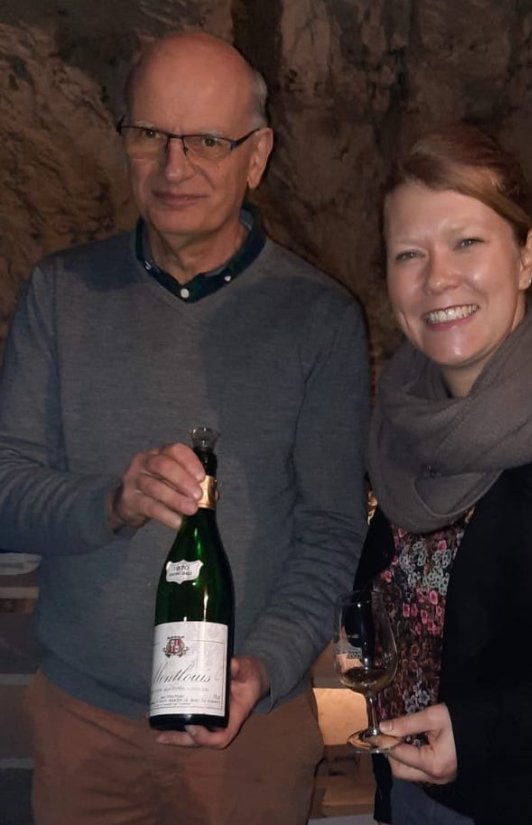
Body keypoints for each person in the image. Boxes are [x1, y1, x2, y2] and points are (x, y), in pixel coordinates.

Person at [0, 31, 370, 825]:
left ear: (258, 154)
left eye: (208, 140)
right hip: (83, 723)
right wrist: (112, 500)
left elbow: (332, 530)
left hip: (251, 734)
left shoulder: (321, 319)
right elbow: (7, 492)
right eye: (151, 135)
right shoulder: (58, 296)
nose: (175, 168)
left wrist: (263, 667)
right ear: (125, 140)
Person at [358, 122, 532, 825]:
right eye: (408, 253)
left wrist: (484, 735)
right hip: (412, 797)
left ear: (526, 255)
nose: (437, 277)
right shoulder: (399, 436)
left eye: (466, 242)